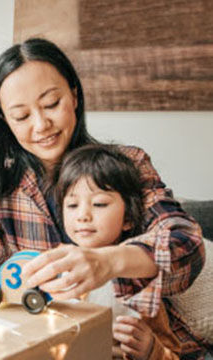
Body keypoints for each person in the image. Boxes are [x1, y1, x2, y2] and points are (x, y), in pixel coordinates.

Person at [0, 38, 205, 359]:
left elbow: (186, 244)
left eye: (52, 103)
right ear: (5, 122)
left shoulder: (127, 165)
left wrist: (107, 262)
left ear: (74, 96)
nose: (41, 125)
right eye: (22, 116)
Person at [57, 144, 183, 360]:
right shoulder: (56, 263)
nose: (82, 216)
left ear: (128, 219)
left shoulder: (137, 277)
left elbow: (172, 352)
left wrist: (151, 348)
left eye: (99, 204)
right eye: (72, 205)